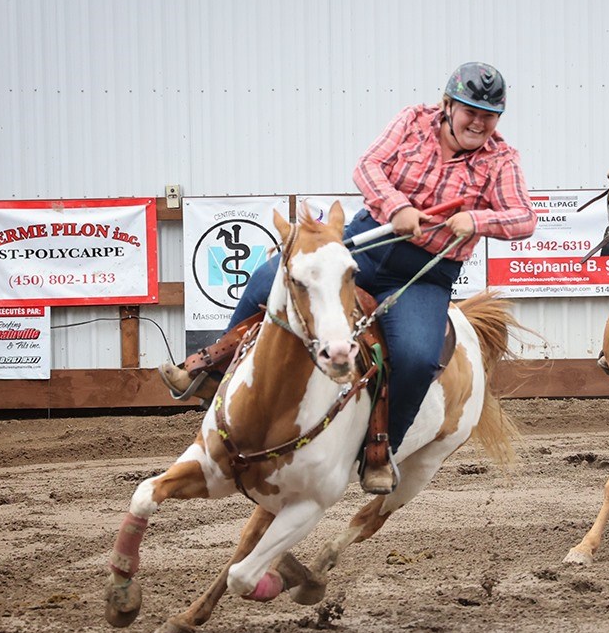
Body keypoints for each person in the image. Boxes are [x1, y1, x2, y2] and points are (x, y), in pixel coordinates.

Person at [160, 61, 536, 493]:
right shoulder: (413, 121)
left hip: (423, 274)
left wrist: (478, 219)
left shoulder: (502, 159)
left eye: (489, 115)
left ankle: (379, 451)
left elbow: (524, 217)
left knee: (416, 357)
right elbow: (368, 167)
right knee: (268, 280)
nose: (479, 122)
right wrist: (397, 207)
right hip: (368, 242)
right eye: (471, 111)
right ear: (448, 105)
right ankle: (212, 368)